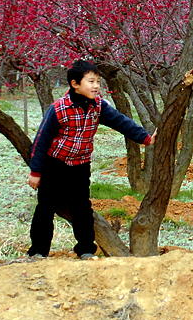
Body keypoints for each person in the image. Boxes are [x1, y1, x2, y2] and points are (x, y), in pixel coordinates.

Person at [26, 60, 156, 259]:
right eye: (91, 81)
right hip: (54, 164)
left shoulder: (98, 106)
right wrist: (36, 172)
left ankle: (85, 249)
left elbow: (121, 122)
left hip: (80, 165)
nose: (96, 86)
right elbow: (41, 141)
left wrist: (144, 138)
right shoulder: (59, 109)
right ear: (75, 84)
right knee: (45, 207)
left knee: (82, 207)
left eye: (98, 82)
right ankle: (38, 251)